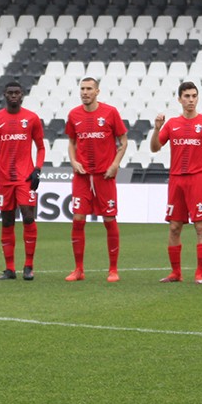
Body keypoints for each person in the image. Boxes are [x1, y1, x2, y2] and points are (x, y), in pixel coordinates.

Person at [150, 81, 202, 284]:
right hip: (176, 180)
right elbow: (155, 148)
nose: (191, 100)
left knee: (200, 226)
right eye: (187, 96)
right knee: (174, 227)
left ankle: (200, 273)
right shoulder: (172, 124)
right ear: (179, 99)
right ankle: (176, 273)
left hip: (197, 179)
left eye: (194, 96)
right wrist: (157, 129)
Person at [65, 76, 129, 282]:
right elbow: (71, 142)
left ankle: (113, 269)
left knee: (109, 219)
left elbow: (123, 141)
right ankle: (78, 270)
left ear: (97, 91)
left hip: (104, 175)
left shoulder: (110, 112)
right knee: (78, 219)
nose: (85, 92)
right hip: (82, 176)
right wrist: (73, 161)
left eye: (89, 89)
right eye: (82, 88)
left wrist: (115, 164)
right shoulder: (74, 114)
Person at [0, 80, 45, 281]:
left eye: (17, 93)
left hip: (25, 177)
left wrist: (37, 169)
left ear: (22, 95)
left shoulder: (32, 118)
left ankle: (28, 266)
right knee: (7, 221)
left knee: (28, 217)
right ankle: (9, 269)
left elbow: (41, 147)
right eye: (10, 92)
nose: (13, 95)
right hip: (4, 179)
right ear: (4, 94)